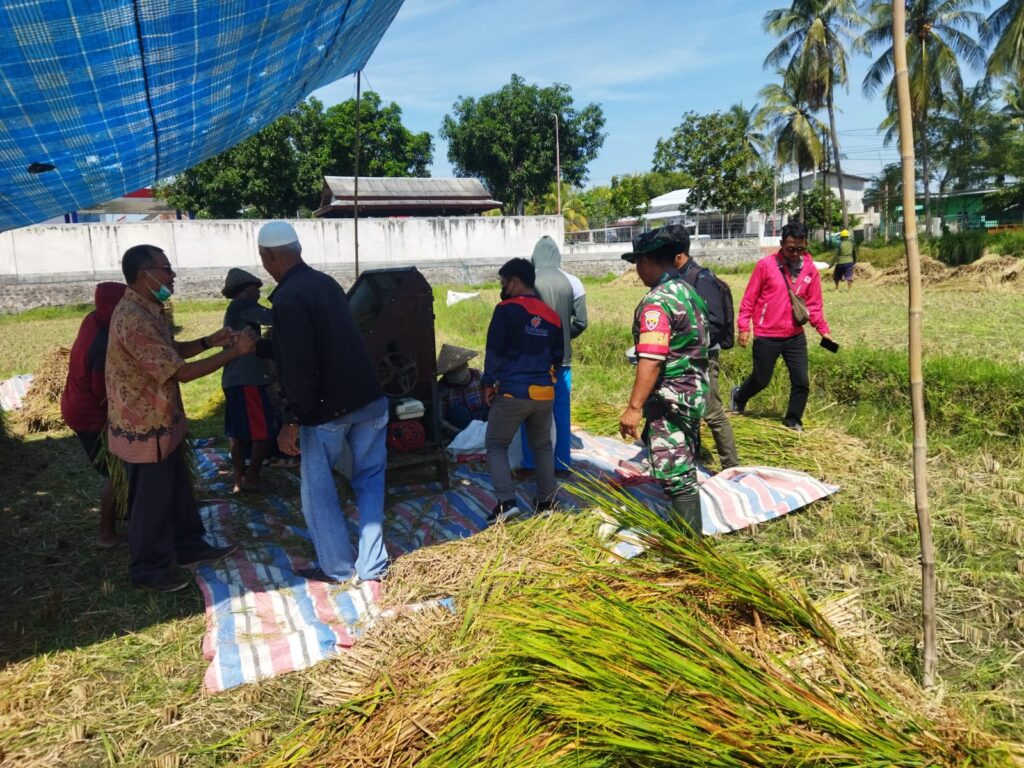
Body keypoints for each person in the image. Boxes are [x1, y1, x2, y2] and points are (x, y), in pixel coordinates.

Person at [106, 245, 256, 592]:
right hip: (144, 426)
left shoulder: (150, 309)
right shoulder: (134, 318)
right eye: (166, 269)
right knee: (151, 501)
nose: (172, 276)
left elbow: (169, 351)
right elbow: (182, 373)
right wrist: (235, 352)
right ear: (145, 275)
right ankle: (149, 570)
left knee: (176, 490)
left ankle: (189, 546)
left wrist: (209, 341)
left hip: (161, 420)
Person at [257, 221, 390, 586]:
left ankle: (337, 569)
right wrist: (259, 345)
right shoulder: (326, 283)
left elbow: (300, 363)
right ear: (298, 250)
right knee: (369, 479)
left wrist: (293, 419)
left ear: (267, 257)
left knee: (318, 491)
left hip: (326, 410)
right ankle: (373, 565)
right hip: (369, 400)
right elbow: (326, 343)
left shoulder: (286, 298)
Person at [618, 227, 710, 536]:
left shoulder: (657, 303)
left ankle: (690, 549)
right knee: (683, 461)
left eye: (637, 263)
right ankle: (685, 531)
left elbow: (652, 358)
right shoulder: (688, 291)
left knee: (676, 473)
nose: (637, 271)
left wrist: (634, 407)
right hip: (693, 394)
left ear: (645, 261)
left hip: (670, 398)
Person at [730, 222, 835, 432]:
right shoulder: (766, 265)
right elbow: (749, 298)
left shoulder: (810, 271)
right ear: (781, 245)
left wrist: (824, 331)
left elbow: (814, 305)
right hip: (767, 334)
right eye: (790, 249)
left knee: (801, 381)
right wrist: (744, 326)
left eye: (800, 249)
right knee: (761, 379)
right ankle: (739, 395)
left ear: (806, 245)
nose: (796, 253)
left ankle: (793, 420)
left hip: (795, 335)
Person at [482, 258, 563, 523]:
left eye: (504, 283)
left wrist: (487, 383)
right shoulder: (552, 315)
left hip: (512, 393)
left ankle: (506, 504)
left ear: (515, 281)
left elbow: (494, 351)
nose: (502, 288)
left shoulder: (505, 310)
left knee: (496, 444)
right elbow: (557, 358)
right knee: (542, 447)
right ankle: (547, 502)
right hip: (544, 394)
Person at [60, 281, 129, 548]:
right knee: (116, 470)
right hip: (89, 414)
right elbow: (104, 394)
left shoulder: (94, 319)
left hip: (76, 402)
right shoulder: (102, 345)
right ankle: (107, 535)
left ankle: (123, 512)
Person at [670, 225, 740, 470]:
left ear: (678, 254)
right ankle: (692, 456)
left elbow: (716, 322)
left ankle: (731, 468)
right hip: (684, 357)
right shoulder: (679, 277)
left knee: (712, 412)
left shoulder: (701, 278)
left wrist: (688, 341)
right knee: (687, 409)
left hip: (703, 358)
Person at [518, 235, 589, 473]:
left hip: (530, 362)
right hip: (562, 361)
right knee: (561, 412)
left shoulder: (525, 283)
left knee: (528, 411)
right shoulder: (573, 282)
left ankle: (530, 464)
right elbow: (581, 321)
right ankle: (562, 465)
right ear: (557, 255)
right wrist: (565, 336)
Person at [220, 268, 276, 493]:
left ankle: (238, 477)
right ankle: (251, 477)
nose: (258, 295)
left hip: (233, 379)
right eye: (255, 290)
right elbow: (271, 317)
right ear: (244, 290)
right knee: (261, 430)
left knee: (238, 431)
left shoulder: (234, 310)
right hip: (248, 379)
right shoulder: (243, 306)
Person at [436, 343, 487, 439]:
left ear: (465, 365)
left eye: (458, 369)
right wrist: (461, 434)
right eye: (451, 372)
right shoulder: (442, 388)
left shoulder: (478, 376)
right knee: (459, 412)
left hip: (482, 420)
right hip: (461, 427)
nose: (456, 373)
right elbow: (440, 420)